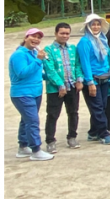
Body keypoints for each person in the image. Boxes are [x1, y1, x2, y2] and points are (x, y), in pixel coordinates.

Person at [10, 28, 54, 161]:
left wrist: (49, 76)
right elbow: (22, 73)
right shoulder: (19, 55)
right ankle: (36, 150)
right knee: (33, 121)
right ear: (25, 38)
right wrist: (38, 60)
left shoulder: (33, 53)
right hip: (22, 94)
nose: (36, 40)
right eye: (33, 36)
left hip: (35, 92)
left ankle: (23, 147)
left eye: (38, 37)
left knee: (26, 120)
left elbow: (36, 73)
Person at [42, 23, 83, 153]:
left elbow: (77, 65)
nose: (65, 36)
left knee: (73, 112)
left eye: (67, 33)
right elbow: (50, 70)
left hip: (72, 86)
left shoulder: (73, 48)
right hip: (55, 89)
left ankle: (72, 136)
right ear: (56, 33)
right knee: (53, 115)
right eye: (62, 33)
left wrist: (79, 80)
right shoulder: (48, 50)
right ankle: (50, 140)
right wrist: (60, 85)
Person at [77, 14, 110, 145]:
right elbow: (85, 63)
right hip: (92, 79)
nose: (96, 27)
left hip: (104, 77)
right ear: (88, 26)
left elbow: (106, 59)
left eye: (98, 24)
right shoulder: (84, 42)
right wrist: (89, 82)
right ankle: (103, 134)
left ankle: (93, 132)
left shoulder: (103, 39)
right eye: (93, 24)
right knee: (97, 107)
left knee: (102, 106)